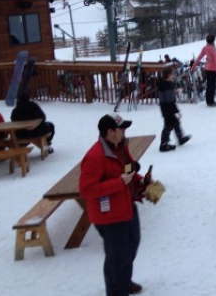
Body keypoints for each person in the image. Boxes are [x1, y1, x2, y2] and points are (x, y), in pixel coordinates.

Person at [79, 113, 152, 296]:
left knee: (132, 246)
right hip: (109, 217)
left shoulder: (120, 147)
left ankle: (124, 283)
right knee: (117, 257)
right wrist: (120, 182)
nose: (124, 131)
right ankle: (116, 291)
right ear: (110, 132)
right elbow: (86, 190)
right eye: (121, 128)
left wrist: (142, 183)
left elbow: (128, 173)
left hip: (126, 207)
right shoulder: (95, 156)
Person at [157, 66, 191, 152]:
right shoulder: (166, 86)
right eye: (172, 74)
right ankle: (163, 145)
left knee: (175, 123)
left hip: (165, 108)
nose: (173, 75)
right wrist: (176, 111)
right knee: (168, 126)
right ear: (168, 75)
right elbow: (170, 101)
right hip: (167, 109)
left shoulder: (165, 84)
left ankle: (180, 139)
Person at [192, 34, 216, 107]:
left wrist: (193, 67)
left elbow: (199, 58)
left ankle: (209, 101)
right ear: (213, 40)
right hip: (213, 69)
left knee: (209, 85)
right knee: (212, 85)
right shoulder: (212, 49)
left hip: (207, 69)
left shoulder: (205, 48)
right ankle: (211, 101)